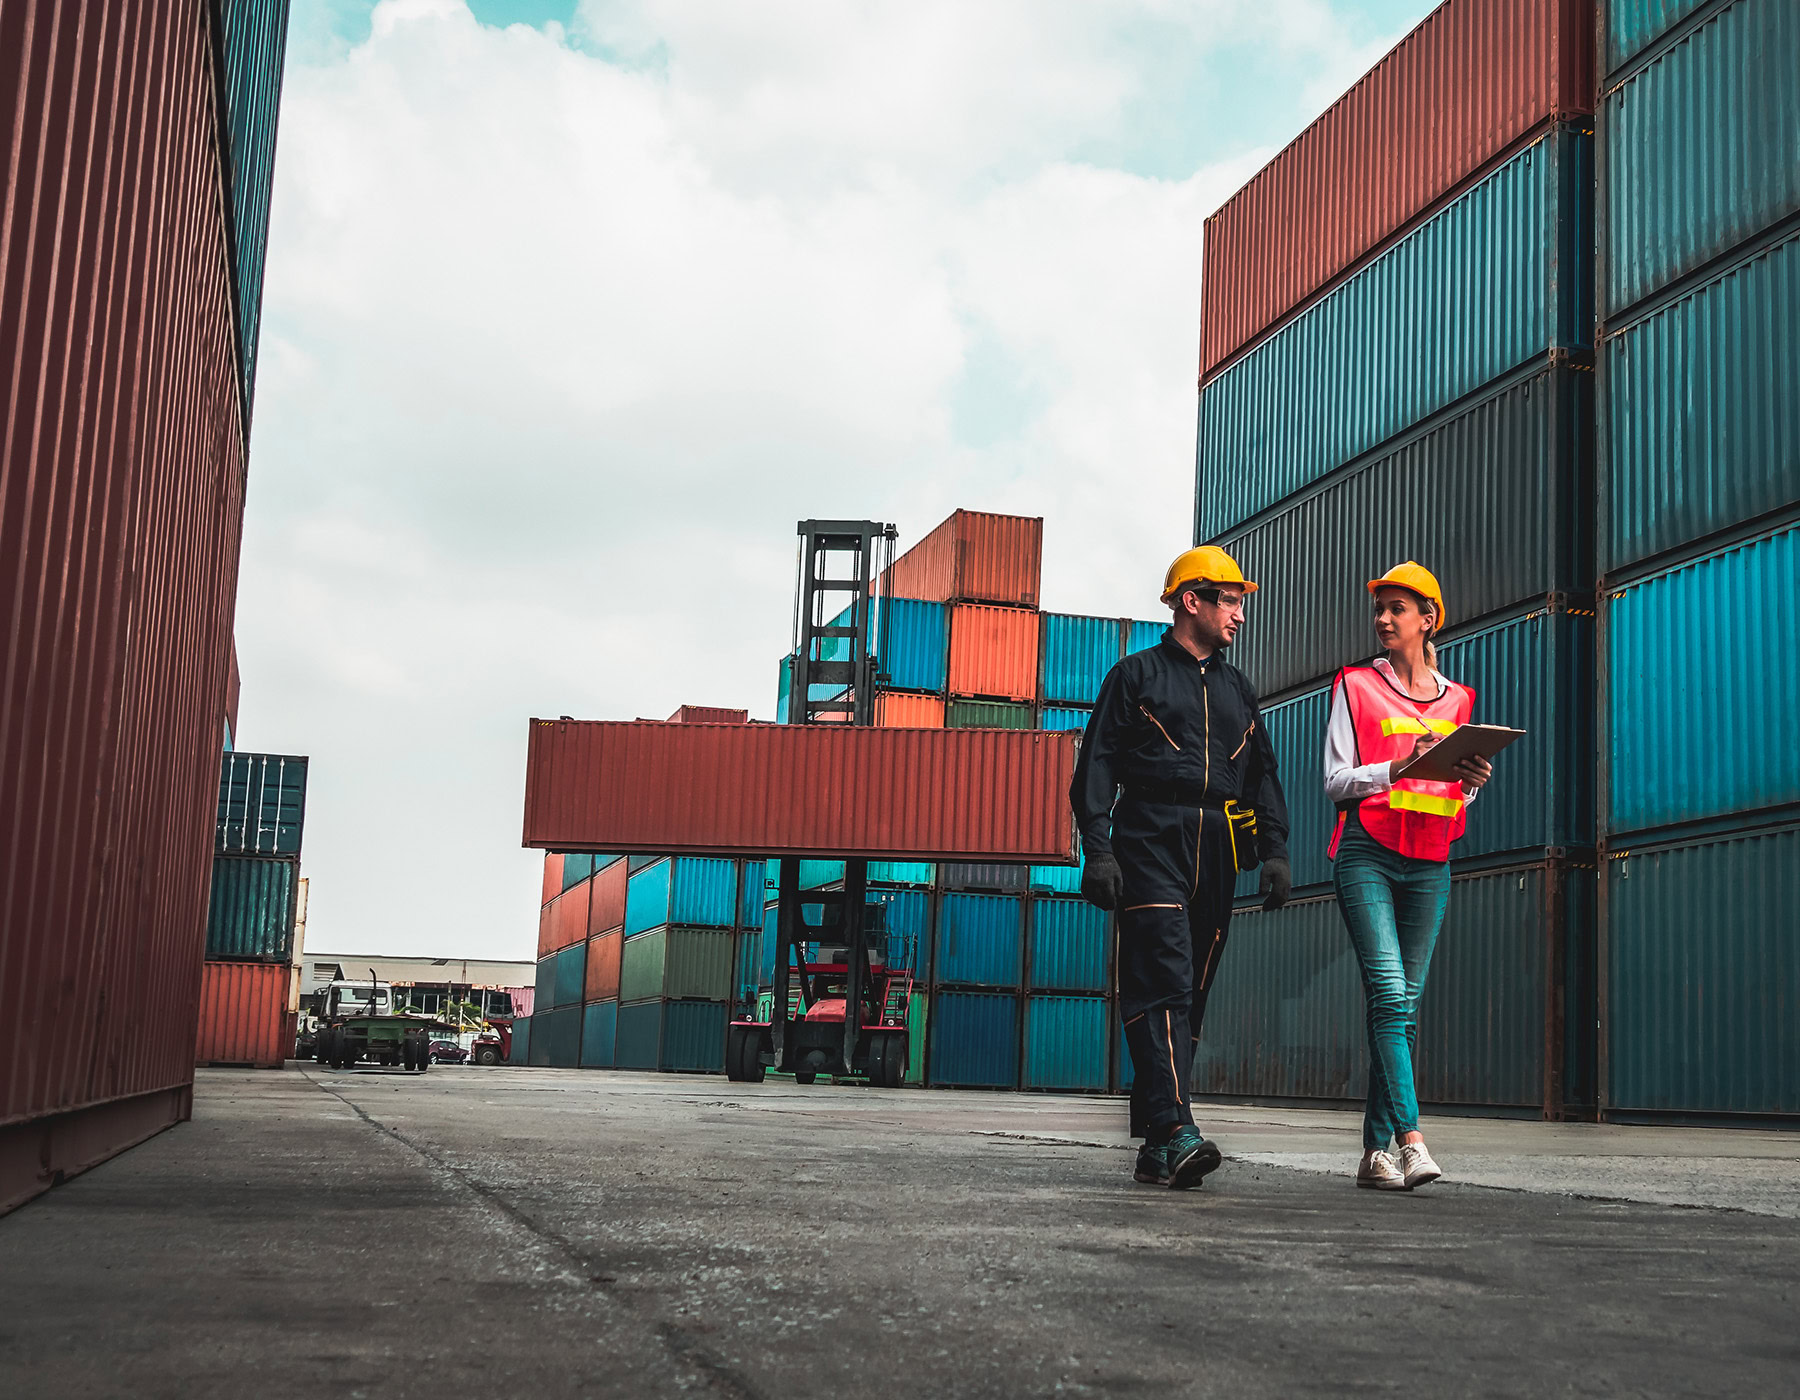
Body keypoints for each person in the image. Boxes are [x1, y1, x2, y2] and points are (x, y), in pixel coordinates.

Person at [1071, 546, 1291, 1190]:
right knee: (1161, 980)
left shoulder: (1237, 688)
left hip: (1216, 846)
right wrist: (1099, 848)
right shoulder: (1134, 676)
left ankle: (1155, 1141)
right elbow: (1099, 765)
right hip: (1149, 836)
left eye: (1242, 601)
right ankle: (1177, 1129)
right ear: (1189, 601)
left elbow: (1262, 774)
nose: (1241, 615)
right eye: (1230, 599)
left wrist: (1274, 850)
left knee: (1190, 996)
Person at [1323, 562, 1491, 1192]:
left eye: (1397, 608)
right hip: (1366, 850)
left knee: (1400, 1009)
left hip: (1430, 861)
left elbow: (1450, 791)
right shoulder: (1354, 685)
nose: (1383, 618)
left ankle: (1372, 1153)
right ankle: (1411, 1140)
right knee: (1391, 995)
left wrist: (1470, 784)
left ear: (1429, 619)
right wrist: (1394, 766)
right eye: (1380, 608)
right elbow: (1336, 781)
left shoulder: (1460, 701)